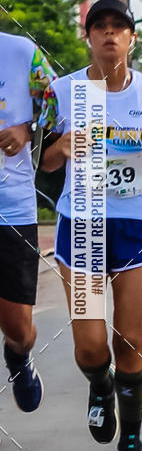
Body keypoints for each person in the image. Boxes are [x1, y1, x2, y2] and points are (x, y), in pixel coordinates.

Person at [39, 0, 142, 451]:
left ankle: (133, 441)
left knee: (129, 339)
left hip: (136, 223)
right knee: (91, 346)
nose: (110, 35)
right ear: (89, 37)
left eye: (119, 27)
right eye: (100, 27)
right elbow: (46, 164)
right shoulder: (62, 91)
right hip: (80, 222)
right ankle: (99, 384)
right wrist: (61, 145)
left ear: (132, 38)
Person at [1, 33, 55, 413]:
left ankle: (18, 356)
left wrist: (29, 129)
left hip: (12, 209)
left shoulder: (22, 52)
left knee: (18, 329)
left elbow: (56, 104)